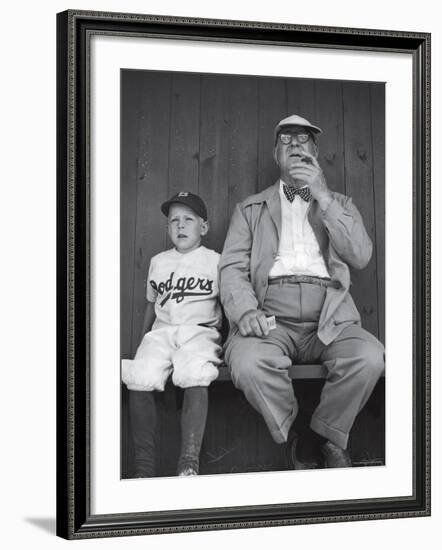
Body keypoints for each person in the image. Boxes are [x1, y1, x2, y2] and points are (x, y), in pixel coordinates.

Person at [219, 114, 385, 469]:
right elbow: (232, 268)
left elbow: (361, 255)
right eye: (286, 140)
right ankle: (297, 432)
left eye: (303, 139)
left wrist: (323, 197)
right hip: (270, 316)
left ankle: (324, 436)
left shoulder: (339, 203)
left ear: (315, 151)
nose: (294, 145)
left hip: (330, 314)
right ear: (275, 155)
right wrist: (246, 311)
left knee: (369, 357)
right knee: (247, 363)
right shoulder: (250, 210)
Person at [122, 192, 222, 477]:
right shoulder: (158, 262)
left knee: (195, 371)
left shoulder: (216, 261)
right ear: (167, 228)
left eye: (188, 220)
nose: (180, 226)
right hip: (163, 333)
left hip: (200, 332)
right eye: (174, 220)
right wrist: (143, 340)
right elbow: (152, 306)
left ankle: (189, 462)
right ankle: (144, 466)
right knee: (139, 374)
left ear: (203, 227)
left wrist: (227, 342)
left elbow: (227, 303)